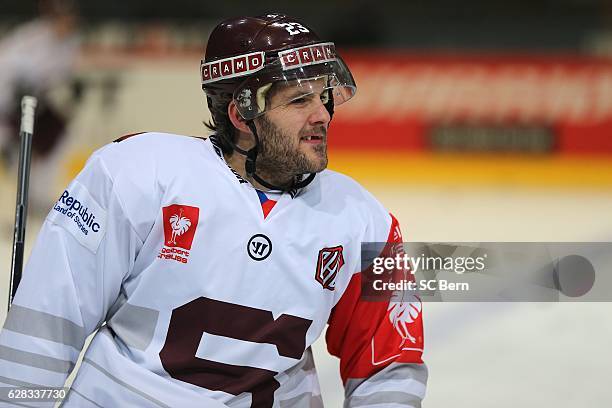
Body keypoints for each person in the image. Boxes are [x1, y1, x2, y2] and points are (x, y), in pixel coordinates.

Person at [0, 13, 427, 407]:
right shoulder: (135, 175)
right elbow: (45, 332)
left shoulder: (365, 221)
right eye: (299, 101)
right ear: (242, 114)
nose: (323, 115)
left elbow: (388, 366)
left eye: (323, 96)